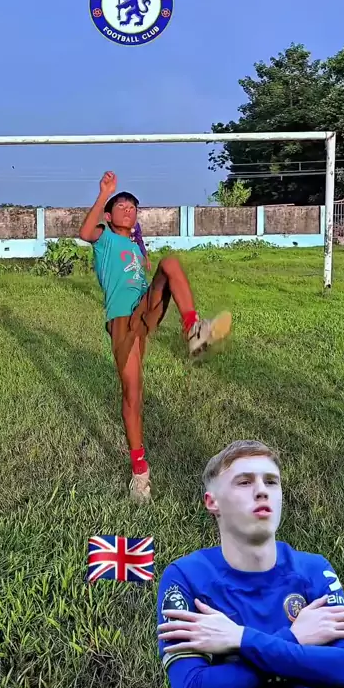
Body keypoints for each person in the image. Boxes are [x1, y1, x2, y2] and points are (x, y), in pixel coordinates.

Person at [156, 439, 344, 688]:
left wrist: (241, 639)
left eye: (271, 481)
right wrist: (294, 638)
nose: (261, 491)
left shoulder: (313, 570)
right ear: (212, 502)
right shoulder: (186, 577)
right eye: (244, 482)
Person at [78, 171, 232, 504]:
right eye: (121, 206)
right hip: (122, 320)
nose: (128, 210)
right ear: (109, 216)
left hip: (144, 308)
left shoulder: (137, 247)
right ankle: (140, 473)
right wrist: (103, 192)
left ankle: (193, 328)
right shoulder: (105, 239)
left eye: (133, 207)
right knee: (133, 393)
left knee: (171, 264)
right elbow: (85, 232)